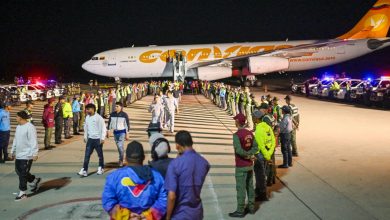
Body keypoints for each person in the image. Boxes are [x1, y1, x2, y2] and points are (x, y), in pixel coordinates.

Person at [102, 141, 167, 219]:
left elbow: (108, 202)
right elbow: (164, 201)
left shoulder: (113, 177)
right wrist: (146, 216)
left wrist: (127, 216)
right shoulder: (156, 176)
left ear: (125, 158)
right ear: (144, 157)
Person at [165, 130, 210, 220]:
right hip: (196, 212)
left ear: (177, 145)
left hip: (180, 213)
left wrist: (168, 217)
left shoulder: (174, 164)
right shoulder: (204, 163)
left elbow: (171, 196)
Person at [229, 113, 258, 218]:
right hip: (250, 166)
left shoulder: (236, 135)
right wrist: (251, 155)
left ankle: (240, 210)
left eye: (235, 120)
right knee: (250, 187)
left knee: (241, 188)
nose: (235, 121)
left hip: (241, 166)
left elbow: (239, 151)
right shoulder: (250, 133)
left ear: (237, 122)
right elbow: (256, 147)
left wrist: (247, 156)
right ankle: (251, 207)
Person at [11, 111, 41, 201]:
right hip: (19, 154)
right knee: (18, 171)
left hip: (27, 155)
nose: (16, 118)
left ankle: (22, 193)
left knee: (23, 174)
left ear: (21, 117)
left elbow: (33, 141)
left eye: (16, 117)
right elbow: (15, 139)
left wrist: (35, 153)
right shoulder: (18, 127)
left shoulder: (30, 127)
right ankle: (34, 180)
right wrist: (13, 151)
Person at [252, 110, 276, 201]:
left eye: (254, 117)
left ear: (257, 119)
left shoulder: (259, 130)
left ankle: (262, 194)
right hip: (267, 153)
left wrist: (266, 156)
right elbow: (273, 140)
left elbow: (261, 145)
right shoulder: (268, 127)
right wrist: (269, 153)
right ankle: (258, 191)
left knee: (260, 175)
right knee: (263, 174)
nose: (253, 118)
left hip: (261, 155)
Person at [78, 104, 107, 177]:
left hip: (98, 140)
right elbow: (86, 128)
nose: (87, 111)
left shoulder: (99, 118)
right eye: (86, 109)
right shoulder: (87, 117)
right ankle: (85, 170)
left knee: (100, 155)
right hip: (90, 140)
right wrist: (85, 137)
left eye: (89, 109)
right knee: (87, 155)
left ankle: (101, 168)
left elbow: (103, 128)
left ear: (93, 109)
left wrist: (103, 138)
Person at [107, 102, 130, 167]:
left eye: (117, 106)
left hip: (122, 132)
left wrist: (127, 133)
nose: (115, 107)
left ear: (121, 107)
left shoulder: (124, 115)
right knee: (119, 147)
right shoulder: (112, 114)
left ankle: (121, 160)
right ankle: (122, 156)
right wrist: (108, 131)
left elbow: (127, 124)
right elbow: (109, 123)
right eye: (115, 106)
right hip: (115, 132)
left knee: (120, 146)